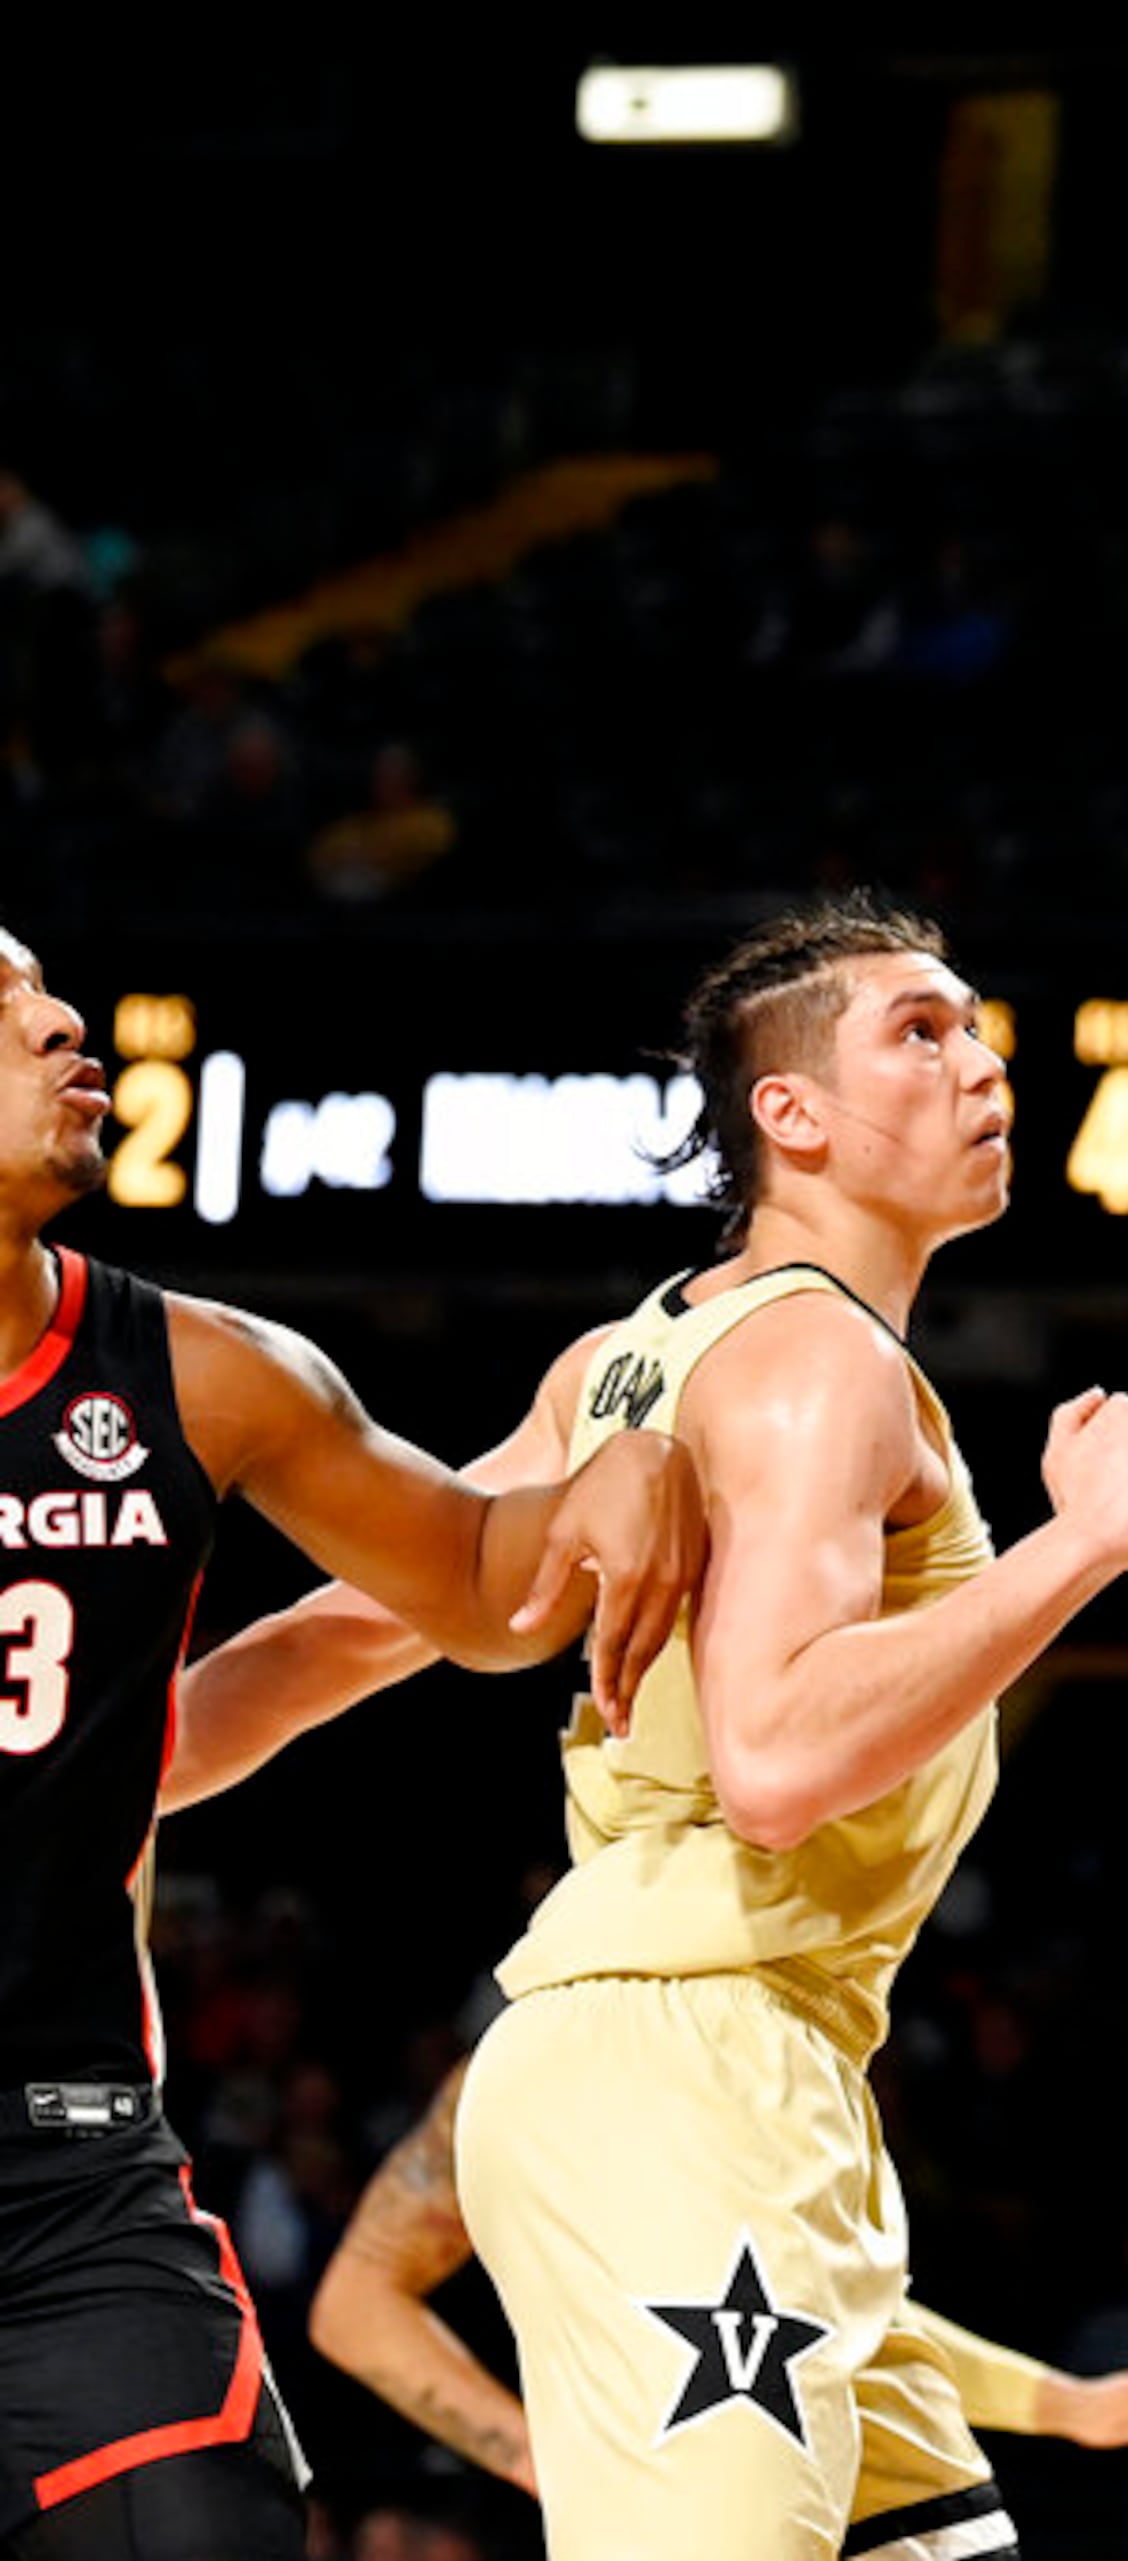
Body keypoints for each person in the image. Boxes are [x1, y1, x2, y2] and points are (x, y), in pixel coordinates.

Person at [158, 896, 1128, 2561]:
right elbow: (779, 1762)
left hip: (714, 2063)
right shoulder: (820, 1362)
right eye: (921, 1032)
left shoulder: (626, 1359)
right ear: (791, 1113)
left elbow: (345, 1634)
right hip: (691, 2060)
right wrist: (1084, 1542)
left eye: (976, 1027)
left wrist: (87, 1769)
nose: (982, 1063)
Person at [0, 924, 703, 2561]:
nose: (63, 1022)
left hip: (65, 2180)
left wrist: (609, 1475)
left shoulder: (208, 1376)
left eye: (44, 989)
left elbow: (479, 1587)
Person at [303, 2055, 1128, 2500]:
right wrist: (534, 2459)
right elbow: (356, 2304)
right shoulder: (536, 2063)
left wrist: (1068, 2403)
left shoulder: (776, 2045)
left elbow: (815, 2324)